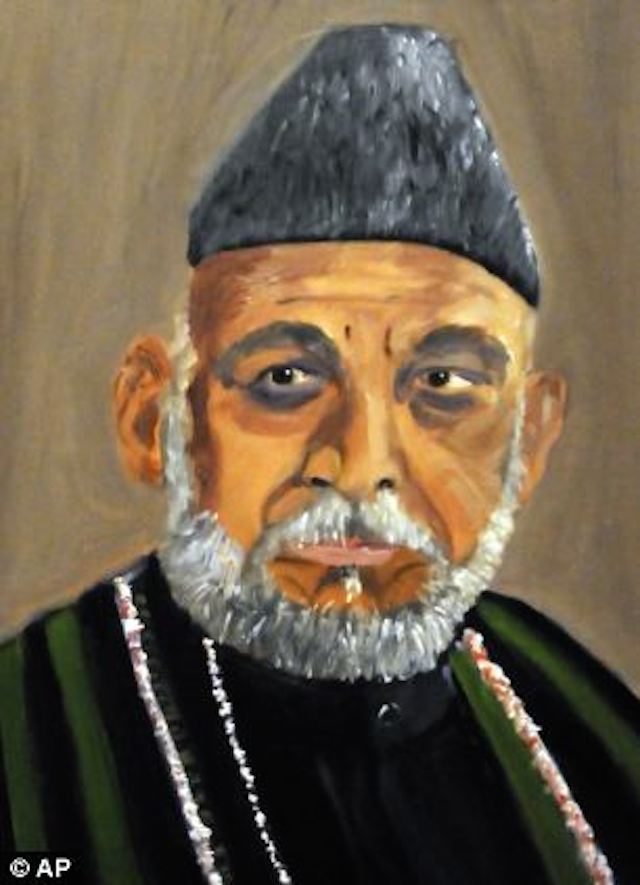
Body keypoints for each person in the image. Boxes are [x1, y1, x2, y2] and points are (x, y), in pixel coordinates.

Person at [1, 23, 639, 885]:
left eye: (443, 383)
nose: (362, 465)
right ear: (156, 418)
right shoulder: (24, 736)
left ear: (529, 442)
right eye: (286, 378)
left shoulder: (596, 735)